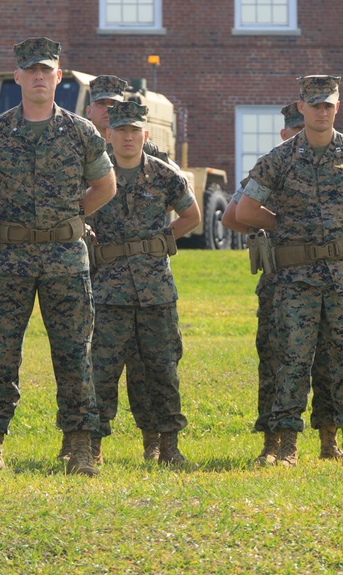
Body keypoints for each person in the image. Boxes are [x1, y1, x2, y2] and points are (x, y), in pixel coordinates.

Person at [0, 37, 116, 476]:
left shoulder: (81, 132)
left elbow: (105, 187)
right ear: (18, 78)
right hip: (10, 258)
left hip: (66, 259)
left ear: (58, 77)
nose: (40, 77)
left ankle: (80, 445)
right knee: (2, 354)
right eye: (32, 71)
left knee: (73, 354)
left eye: (47, 70)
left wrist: (69, 216)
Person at [235, 75, 343, 466]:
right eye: (314, 105)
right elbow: (243, 211)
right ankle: (286, 446)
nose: (321, 111)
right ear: (301, 107)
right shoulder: (279, 159)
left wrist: (341, 228)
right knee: (291, 360)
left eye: (328, 105)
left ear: (337, 107)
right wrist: (292, 226)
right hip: (295, 280)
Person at [88, 100, 201, 467]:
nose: (127, 137)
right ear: (109, 133)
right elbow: (73, 212)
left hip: (155, 292)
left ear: (145, 134)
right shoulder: (92, 175)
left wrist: (163, 241)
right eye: (120, 130)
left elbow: (191, 215)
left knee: (161, 370)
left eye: (134, 131)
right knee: (102, 371)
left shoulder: (165, 175)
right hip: (107, 291)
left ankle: (166, 445)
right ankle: (93, 447)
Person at [86, 75, 170, 163]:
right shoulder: (79, 142)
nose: (108, 109)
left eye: (114, 103)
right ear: (88, 111)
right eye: (101, 103)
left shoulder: (141, 146)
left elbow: (170, 170)